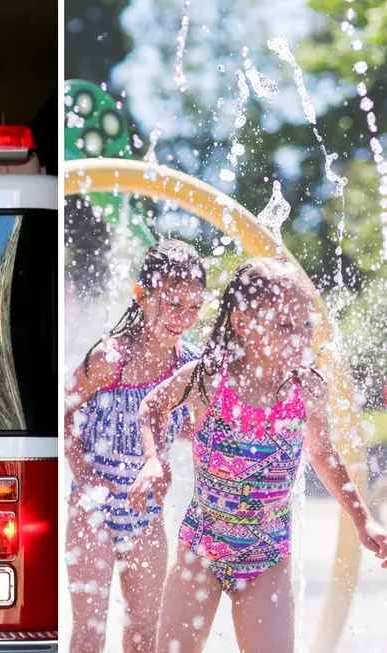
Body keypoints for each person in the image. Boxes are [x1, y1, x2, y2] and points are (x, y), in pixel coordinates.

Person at [128, 256, 387, 653]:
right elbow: (151, 406)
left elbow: (323, 454)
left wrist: (362, 519)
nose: (300, 337)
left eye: (306, 325)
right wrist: (153, 459)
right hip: (201, 548)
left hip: (267, 556)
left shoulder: (309, 390)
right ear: (243, 324)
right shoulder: (211, 378)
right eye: (285, 326)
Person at [66, 239, 206, 652]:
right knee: (90, 634)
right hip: (92, 508)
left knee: (146, 635)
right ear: (142, 296)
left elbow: (191, 430)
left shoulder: (190, 367)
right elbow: (67, 414)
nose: (184, 317)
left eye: (194, 307)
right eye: (174, 303)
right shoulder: (111, 357)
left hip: (146, 514)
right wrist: (87, 478)